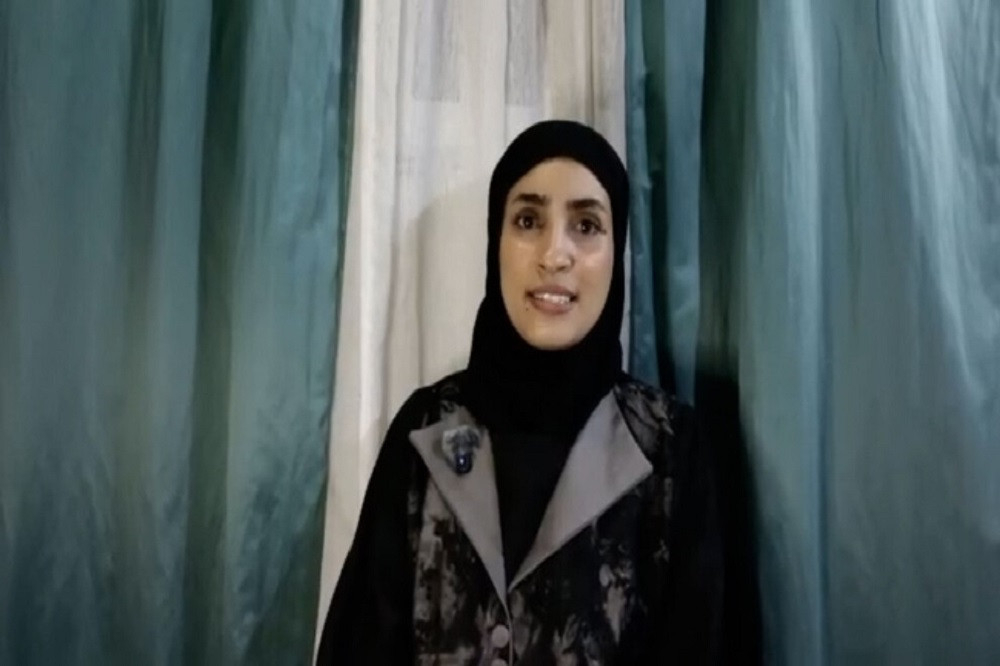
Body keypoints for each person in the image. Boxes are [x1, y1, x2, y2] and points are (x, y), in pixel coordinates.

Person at [317, 120, 723, 664]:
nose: (554, 255)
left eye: (586, 225)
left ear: (618, 250)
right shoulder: (426, 433)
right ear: (496, 243)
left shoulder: (669, 450)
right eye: (529, 220)